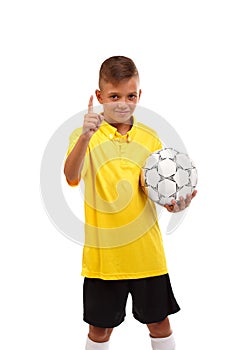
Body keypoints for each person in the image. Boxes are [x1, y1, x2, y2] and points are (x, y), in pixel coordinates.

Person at [64, 56, 197, 350]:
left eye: (130, 95)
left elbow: (156, 190)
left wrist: (175, 205)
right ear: (99, 97)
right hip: (104, 260)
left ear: (139, 95)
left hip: (146, 256)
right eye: (114, 96)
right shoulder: (84, 136)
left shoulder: (150, 138)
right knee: (99, 331)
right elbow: (71, 176)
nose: (123, 103)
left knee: (160, 325)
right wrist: (86, 137)